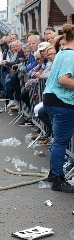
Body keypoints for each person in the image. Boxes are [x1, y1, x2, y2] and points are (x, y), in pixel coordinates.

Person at [43, 23, 74, 193]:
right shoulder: (71, 55)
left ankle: (53, 173)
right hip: (63, 102)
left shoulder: (62, 53)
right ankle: (57, 178)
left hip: (52, 99)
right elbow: (64, 79)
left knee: (58, 140)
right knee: (61, 141)